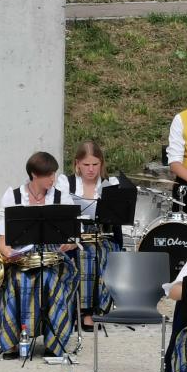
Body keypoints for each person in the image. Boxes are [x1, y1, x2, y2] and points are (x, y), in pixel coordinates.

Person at [0, 151, 79, 358]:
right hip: (22, 257)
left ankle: (53, 342)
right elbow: (2, 239)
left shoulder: (61, 197)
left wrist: (68, 244)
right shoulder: (13, 196)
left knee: (51, 280)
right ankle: (12, 342)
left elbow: (73, 238)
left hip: (52, 257)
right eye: (48, 175)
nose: (53, 179)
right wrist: (7, 252)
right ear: (34, 174)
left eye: (54, 174)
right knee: (14, 280)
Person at [59, 140, 120, 330]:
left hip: (103, 236)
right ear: (77, 163)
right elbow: (61, 217)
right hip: (73, 235)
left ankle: (93, 311)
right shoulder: (66, 183)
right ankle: (81, 310)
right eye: (86, 165)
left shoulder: (111, 184)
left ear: (101, 164)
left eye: (95, 164)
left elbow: (116, 221)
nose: (91, 169)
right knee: (85, 252)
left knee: (97, 254)